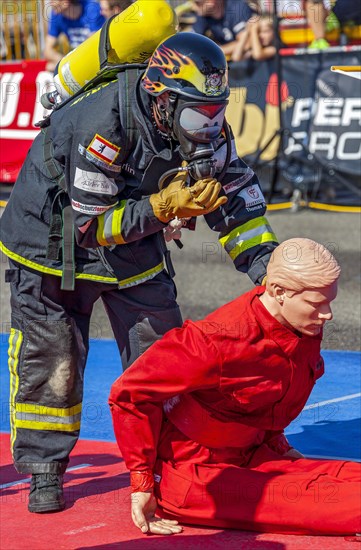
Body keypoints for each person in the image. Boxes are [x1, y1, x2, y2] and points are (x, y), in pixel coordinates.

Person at [0, 30, 278, 514]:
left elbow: (237, 201)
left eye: (217, 111)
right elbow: (90, 226)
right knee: (53, 362)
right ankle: (45, 470)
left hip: (134, 234)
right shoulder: (103, 124)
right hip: (52, 240)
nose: (209, 127)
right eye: (197, 113)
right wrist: (162, 208)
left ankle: (172, 462)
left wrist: (269, 267)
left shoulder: (207, 128)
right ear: (163, 101)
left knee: (164, 354)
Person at [109, 238, 361, 536]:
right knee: (346, 506)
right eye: (317, 303)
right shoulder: (216, 341)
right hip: (196, 474)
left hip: (254, 455)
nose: (327, 314)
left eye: (329, 301)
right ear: (278, 292)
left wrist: (276, 443)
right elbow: (130, 393)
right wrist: (141, 482)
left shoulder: (300, 325)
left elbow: (268, 394)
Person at [44, 0, 105, 71]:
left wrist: (68, 64)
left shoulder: (91, 8)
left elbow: (94, 47)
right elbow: (47, 51)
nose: (50, 3)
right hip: (76, 60)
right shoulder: (56, 14)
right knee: (50, 67)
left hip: (95, 59)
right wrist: (65, 62)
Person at [191, 0, 257, 59]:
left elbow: (247, 43)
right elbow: (192, 41)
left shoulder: (237, 7)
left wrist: (213, 51)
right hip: (227, 59)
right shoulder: (203, 14)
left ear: (211, 2)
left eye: (197, 3)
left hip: (251, 61)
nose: (193, 7)